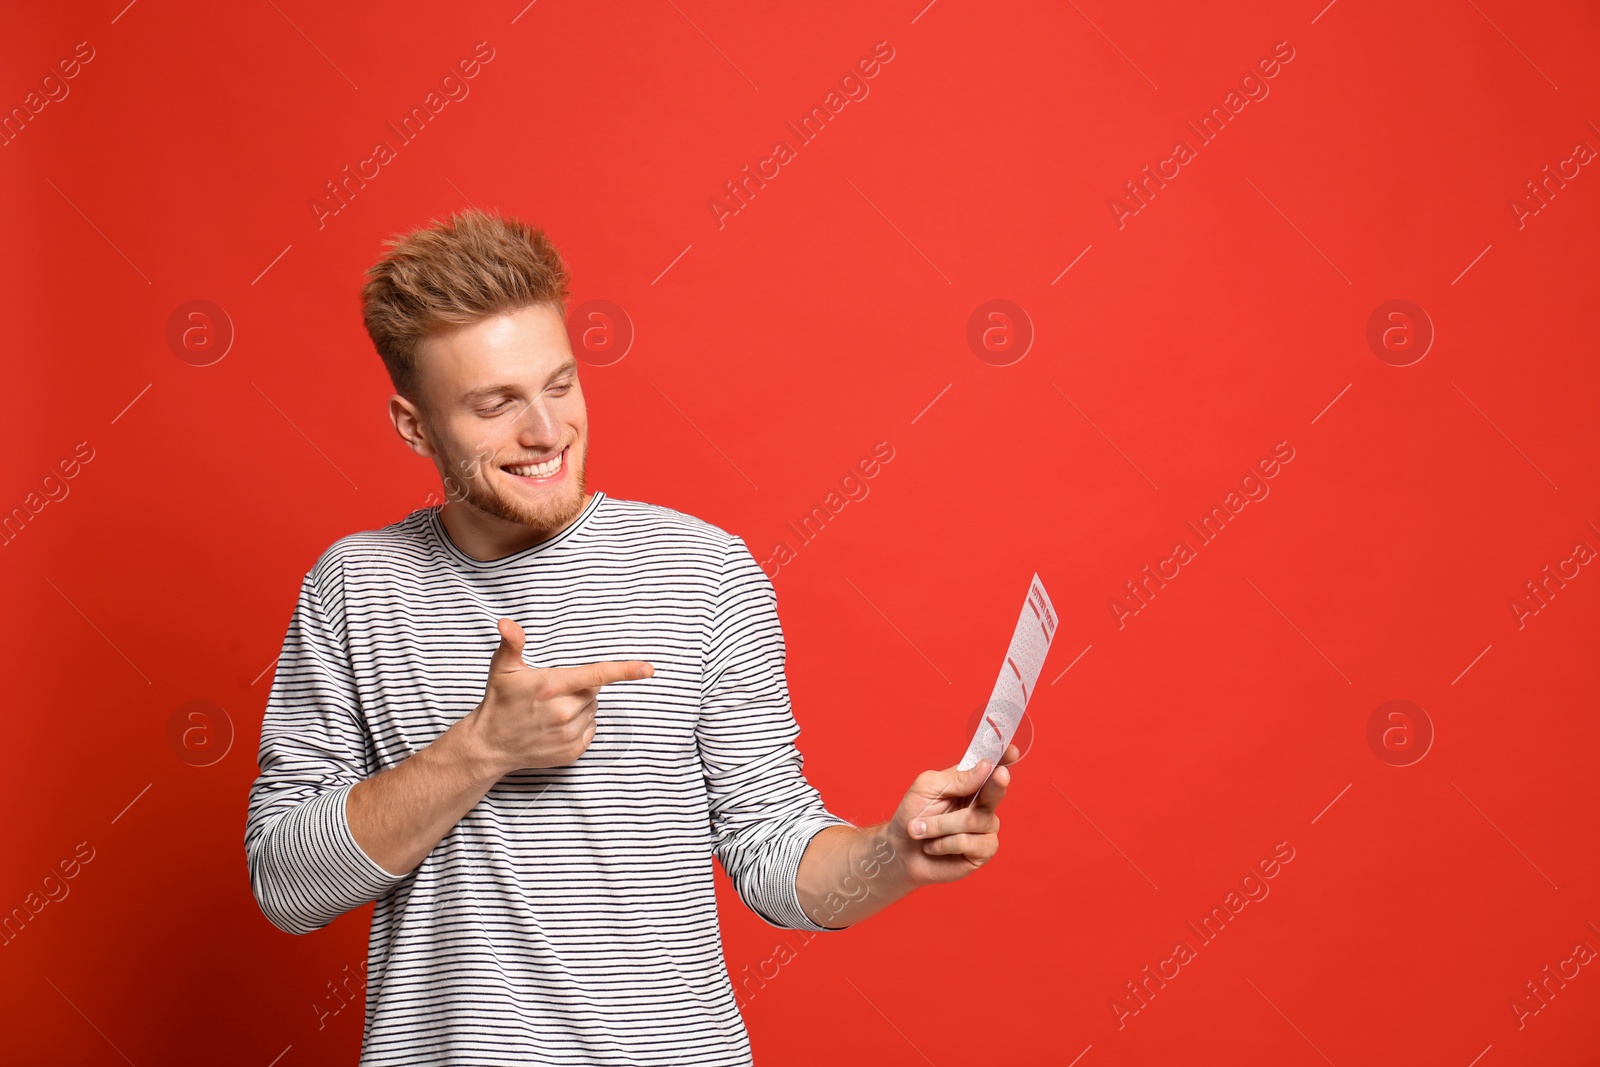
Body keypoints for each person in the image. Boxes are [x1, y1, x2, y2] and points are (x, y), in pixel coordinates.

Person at [243, 207, 1020, 1066]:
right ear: (414, 426)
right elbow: (284, 883)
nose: (545, 432)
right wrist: (480, 749)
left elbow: (771, 850)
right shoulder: (357, 585)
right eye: (495, 404)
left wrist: (894, 852)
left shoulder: (704, 569)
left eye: (561, 383)